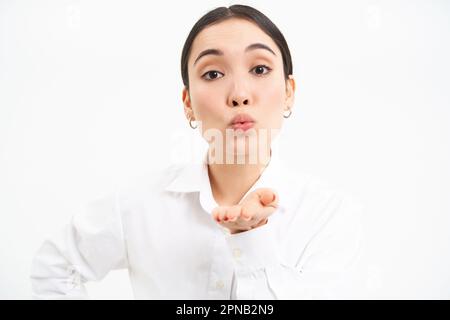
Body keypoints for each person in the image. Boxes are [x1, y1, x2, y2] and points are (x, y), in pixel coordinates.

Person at [31, 4, 366, 299]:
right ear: (188, 103)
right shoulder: (139, 204)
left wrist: (249, 239)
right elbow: (54, 269)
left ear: (289, 91)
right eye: (213, 73)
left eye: (259, 69)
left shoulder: (329, 216)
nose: (239, 94)